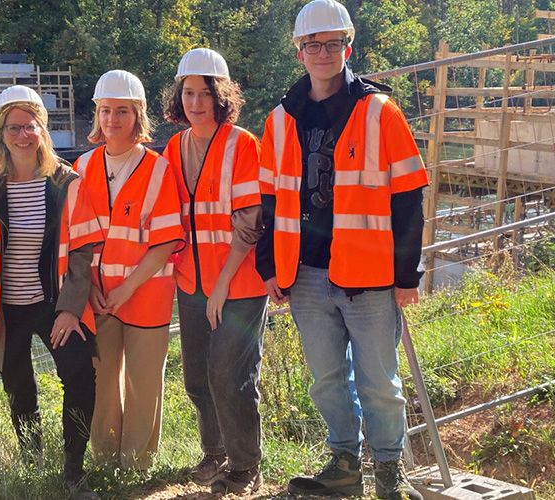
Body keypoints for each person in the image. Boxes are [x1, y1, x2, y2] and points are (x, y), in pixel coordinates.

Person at [255, 1, 429, 499]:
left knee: (380, 383)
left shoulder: (379, 111)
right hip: (305, 273)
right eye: (314, 45)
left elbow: (409, 197)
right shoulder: (280, 118)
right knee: (327, 380)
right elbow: (268, 200)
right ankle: (344, 463)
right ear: (299, 52)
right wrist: (270, 268)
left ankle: (389, 473)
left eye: (333, 44)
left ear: (347, 47)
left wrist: (406, 275)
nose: (323, 53)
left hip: (369, 275)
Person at [0, 85, 100, 500]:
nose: (22, 135)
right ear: (1, 133)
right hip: (4, 309)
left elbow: (84, 251)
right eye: (13, 127)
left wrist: (70, 309)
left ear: (42, 130)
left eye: (29, 126)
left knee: (81, 378)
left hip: (54, 305)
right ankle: (33, 465)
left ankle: (74, 470)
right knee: (19, 390)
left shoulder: (67, 182)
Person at [160, 48, 268, 494]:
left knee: (229, 373)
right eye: (188, 93)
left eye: (206, 93)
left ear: (221, 97)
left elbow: (250, 223)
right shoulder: (173, 146)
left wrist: (222, 286)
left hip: (238, 284)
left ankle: (246, 467)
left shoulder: (242, 145)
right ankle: (216, 451)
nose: (196, 102)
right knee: (197, 377)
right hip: (192, 281)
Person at [70, 69, 184, 470]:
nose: (112, 120)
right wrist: (86, 290)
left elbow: (166, 241)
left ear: (138, 115)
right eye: (105, 110)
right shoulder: (81, 168)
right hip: (97, 296)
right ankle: (104, 464)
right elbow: (74, 241)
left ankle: (136, 467)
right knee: (101, 383)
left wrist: (126, 289)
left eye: (122, 111)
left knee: (144, 384)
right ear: (96, 114)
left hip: (146, 294)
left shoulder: (158, 168)